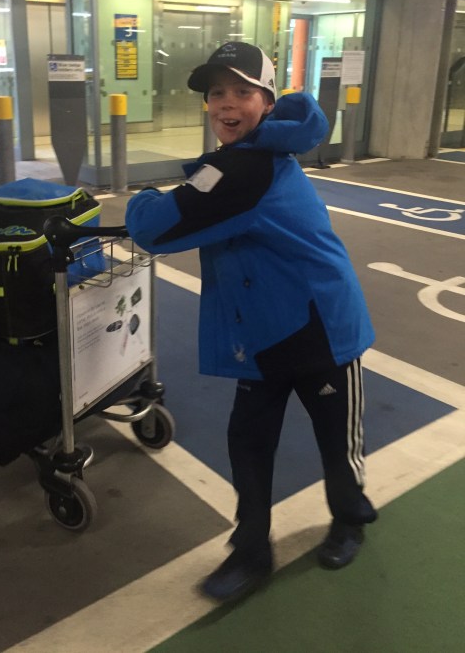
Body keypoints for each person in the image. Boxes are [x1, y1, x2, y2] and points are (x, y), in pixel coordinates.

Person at [125, 42, 377, 603]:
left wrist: (144, 198)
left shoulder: (248, 168)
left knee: (338, 440)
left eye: (243, 91)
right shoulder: (243, 160)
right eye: (217, 92)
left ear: (268, 102)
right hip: (262, 334)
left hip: (320, 329)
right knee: (249, 442)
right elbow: (199, 205)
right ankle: (251, 551)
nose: (226, 103)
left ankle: (349, 519)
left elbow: (155, 228)